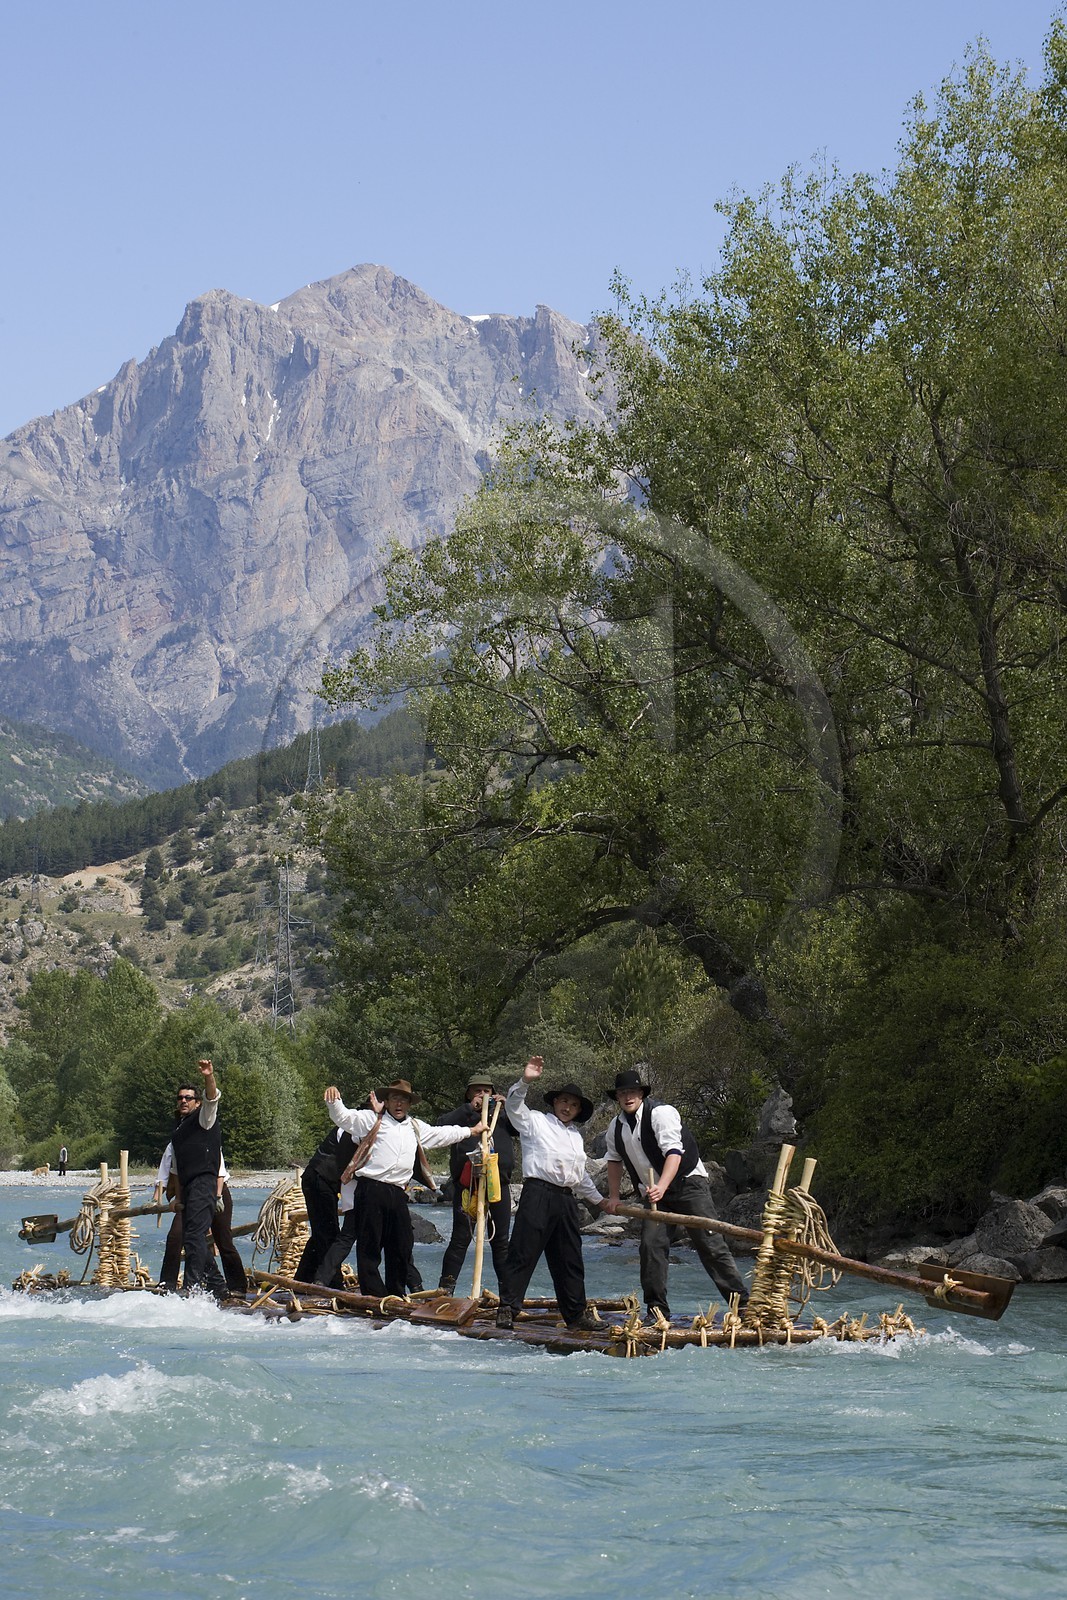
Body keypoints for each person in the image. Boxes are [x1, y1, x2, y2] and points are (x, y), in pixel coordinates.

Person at [601, 1066, 748, 1320]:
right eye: (623, 1092)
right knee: (650, 1246)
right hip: (656, 1194)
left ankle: (743, 1306)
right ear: (617, 1097)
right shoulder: (616, 1127)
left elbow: (674, 1153)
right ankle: (657, 1311)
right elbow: (614, 1162)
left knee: (710, 1244)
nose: (628, 1097)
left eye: (633, 1091)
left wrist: (662, 1186)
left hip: (687, 1184)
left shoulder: (661, 1114)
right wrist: (614, 1197)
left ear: (642, 1093)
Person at [319, 1080, 486, 1297]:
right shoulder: (372, 1120)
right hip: (371, 1189)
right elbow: (344, 1118)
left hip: (398, 1193)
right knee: (370, 1246)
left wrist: (471, 1131)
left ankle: (395, 1294)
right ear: (386, 1101)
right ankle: (373, 1295)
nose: (399, 1103)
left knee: (401, 1246)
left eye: (404, 1100)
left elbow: (441, 1134)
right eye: (395, 1099)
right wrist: (335, 1101)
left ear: (409, 1104)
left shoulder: (414, 1127)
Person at [495, 1055, 605, 1333]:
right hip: (538, 1194)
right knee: (523, 1251)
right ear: (555, 1102)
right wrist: (525, 1081)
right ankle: (508, 1308)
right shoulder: (535, 1122)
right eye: (564, 1101)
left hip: (567, 1201)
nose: (567, 1107)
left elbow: (580, 1178)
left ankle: (576, 1315)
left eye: (574, 1104)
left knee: (570, 1258)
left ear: (579, 1110)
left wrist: (601, 1201)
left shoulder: (576, 1137)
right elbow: (513, 1106)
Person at [153, 1104, 247, 1293]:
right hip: (190, 1194)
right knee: (180, 1236)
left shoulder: (207, 1137)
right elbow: (168, 1173)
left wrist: (218, 1196)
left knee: (223, 1239)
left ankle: (237, 1286)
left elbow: (219, 1171)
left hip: (215, 1190)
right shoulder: (176, 1141)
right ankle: (169, 1283)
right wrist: (163, 1200)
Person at [435, 1074, 516, 1293]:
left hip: (498, 1185)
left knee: (500, 1242)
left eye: (486, 1091)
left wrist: (512, 1106)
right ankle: (446, 1288)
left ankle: (507, 1294)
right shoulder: (462, 1116)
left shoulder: (503, 1117)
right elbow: (439, 1125)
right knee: (460, 1240)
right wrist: (468, 1109)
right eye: (476, 1091)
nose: (482, 1095)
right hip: (468, 1187)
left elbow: (522, 1128)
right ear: (469, 1094)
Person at [168, 1061, 230, 1298]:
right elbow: (177, 1169)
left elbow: (213, 1097)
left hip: (205, 1182)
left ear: (197, 1103)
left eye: (188, 1098)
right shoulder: (178, 1130)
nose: (184, 1101)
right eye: (180, 1098)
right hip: (189, 1186)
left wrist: (209, 1076)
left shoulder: (205, 1118)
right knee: (190, 1237)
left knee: (195, 1236)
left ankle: (192, 1289)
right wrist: (179, 1200)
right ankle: (218, 1286)